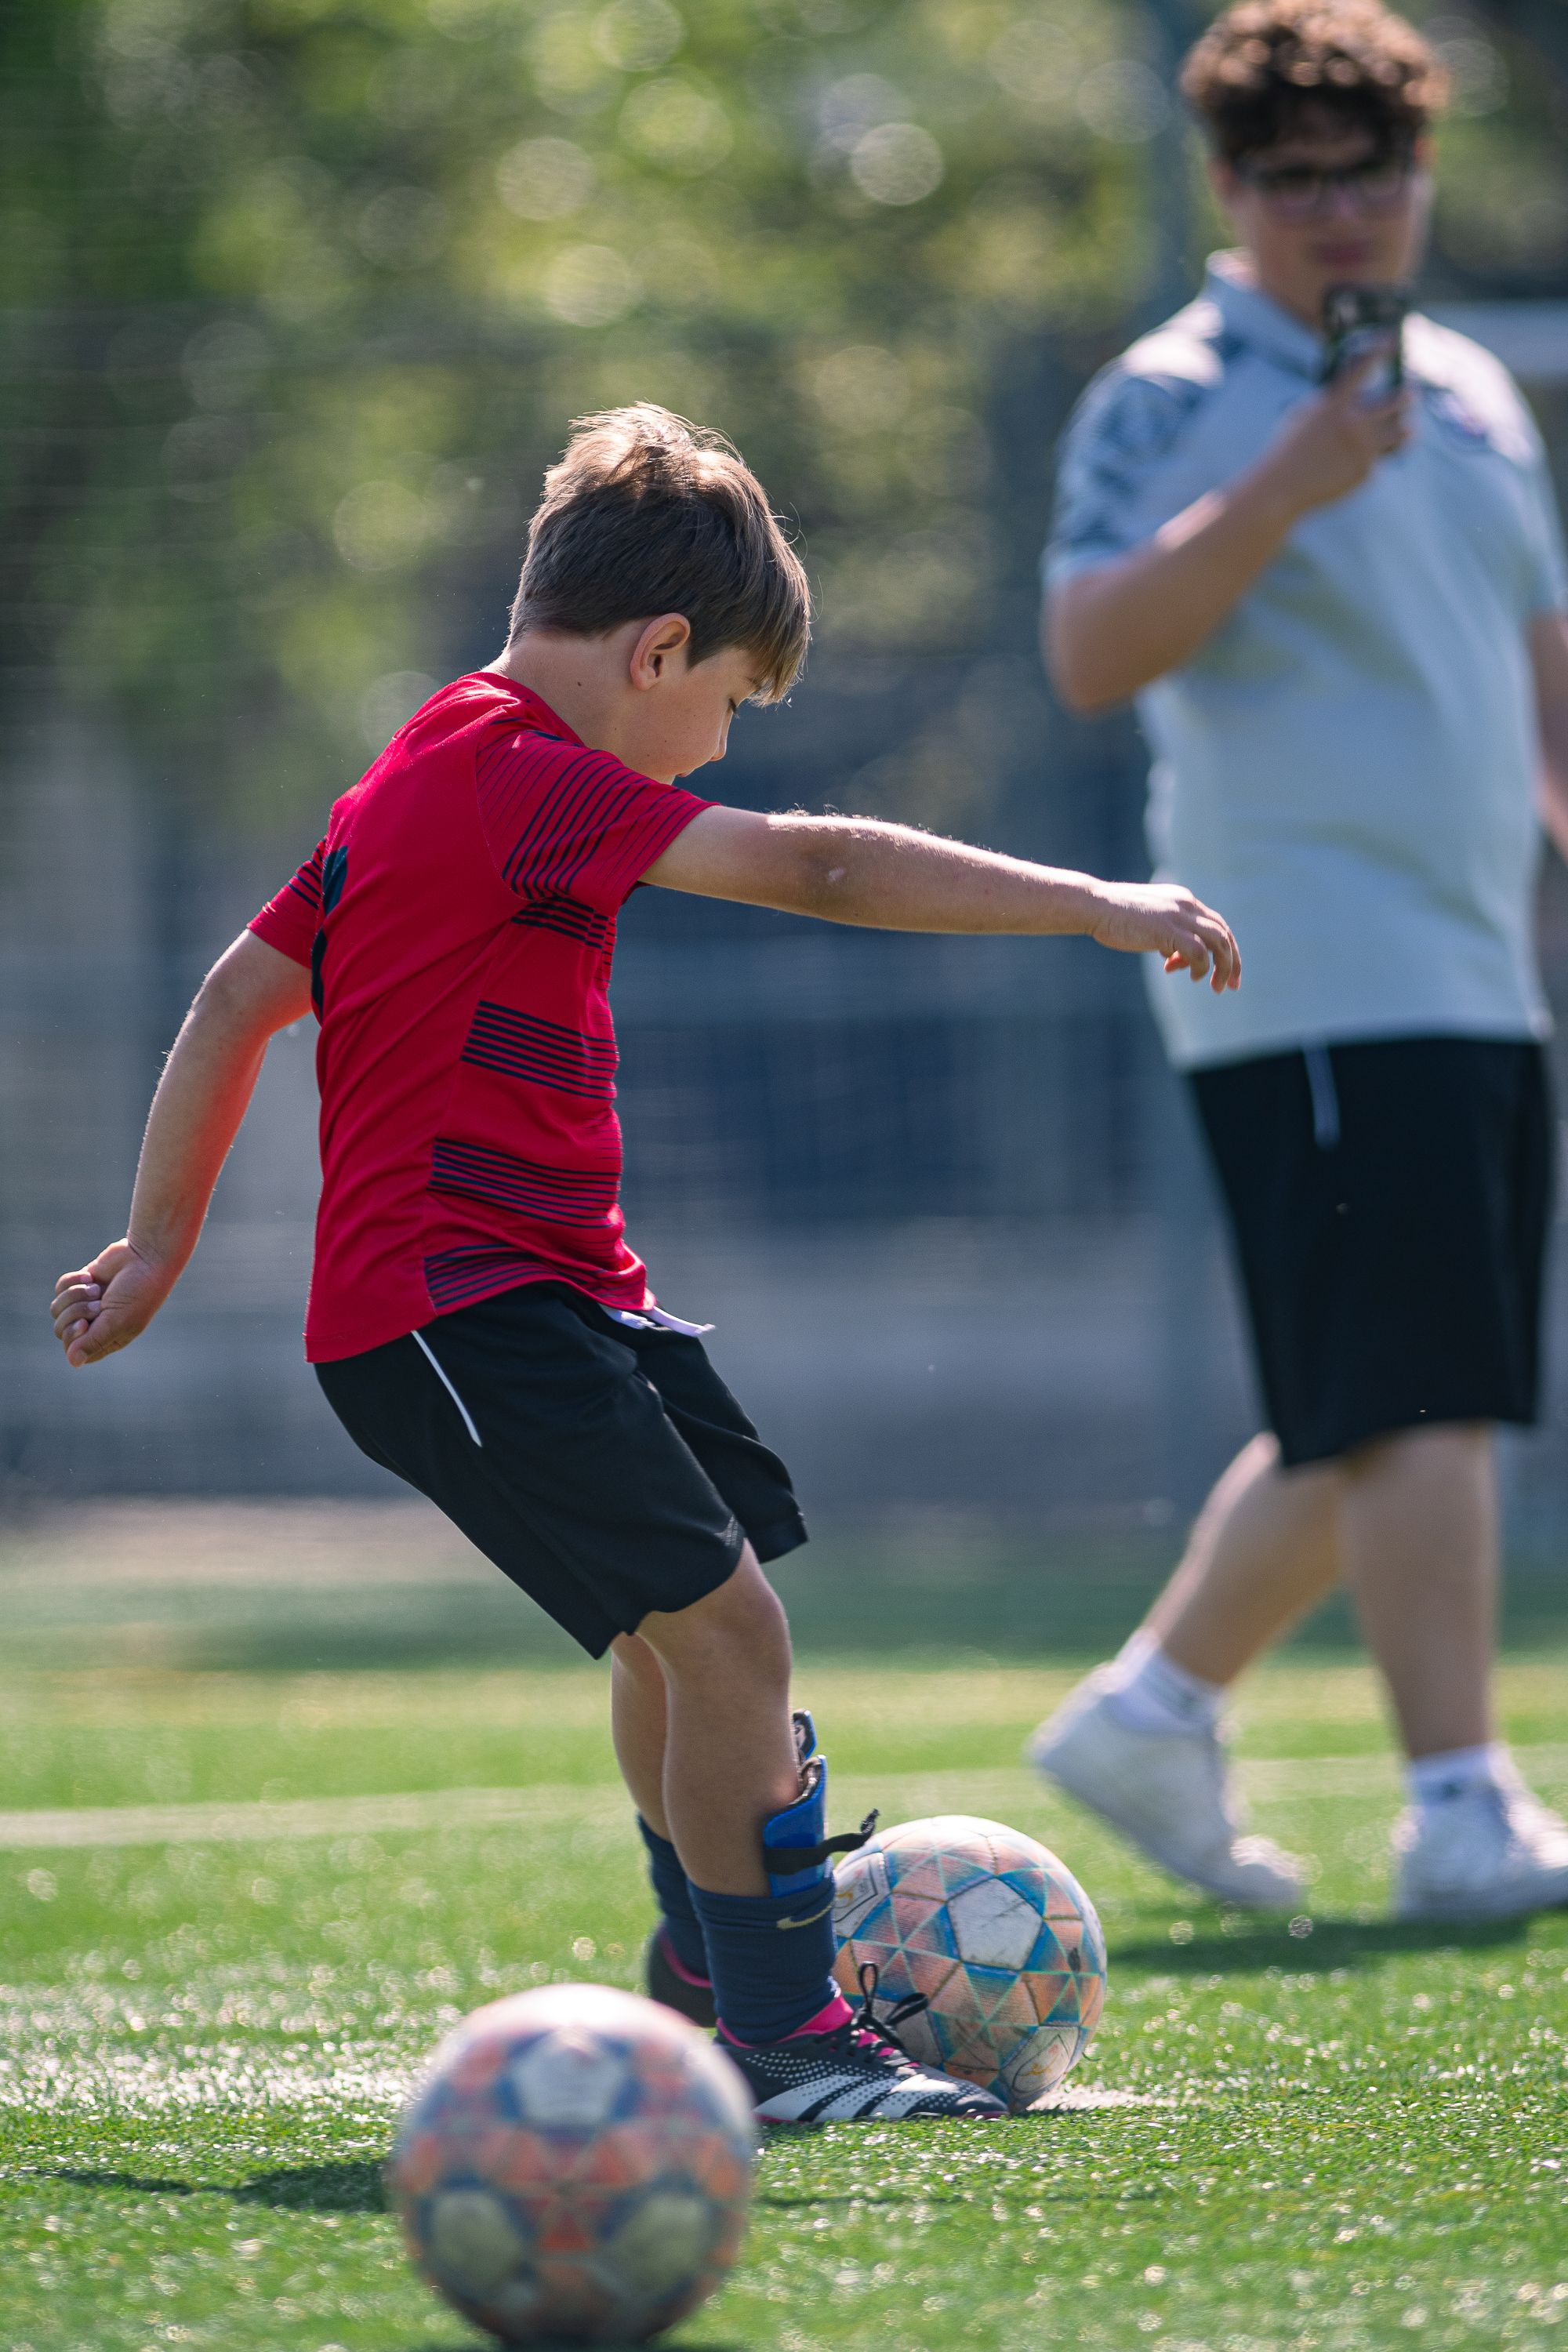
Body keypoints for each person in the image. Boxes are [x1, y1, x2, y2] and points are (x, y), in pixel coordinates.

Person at [50, 404, 1239, 2118]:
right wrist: (1100, 900)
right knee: (730, 1636)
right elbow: (817, 862)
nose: (710, 755)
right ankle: (784, 2035)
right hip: (455, 1302)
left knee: (685, 1639)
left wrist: (165, 1245)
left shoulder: (417, 764)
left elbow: (244, 990)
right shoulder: (516, 768)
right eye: (729, 707)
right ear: (659, 646)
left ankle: (708, 1977)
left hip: (553, 1286)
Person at [1030, 0, 1568, 1923]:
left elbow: (1538, 691)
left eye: (1368, 175)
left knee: (1393, 1384)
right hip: (1302, 963)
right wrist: (1283, 484)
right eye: (1291, 180)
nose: (1335, 214)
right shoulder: (1167, 395)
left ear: (1417, 180)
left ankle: (1154, 1708)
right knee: (1418, 1394)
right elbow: (1091, 654)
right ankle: (1454, 1806)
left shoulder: (1484, 398)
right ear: (1230, 188)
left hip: (1470, 969)